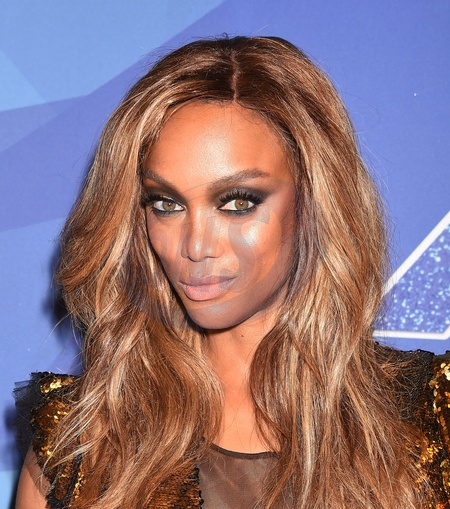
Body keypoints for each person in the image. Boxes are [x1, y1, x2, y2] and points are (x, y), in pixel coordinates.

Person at [14, 36, 450, 509]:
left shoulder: (431, 422)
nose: (196, 246)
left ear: (315, 201)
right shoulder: (78, 446)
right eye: (166, 204)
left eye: (238, 203)